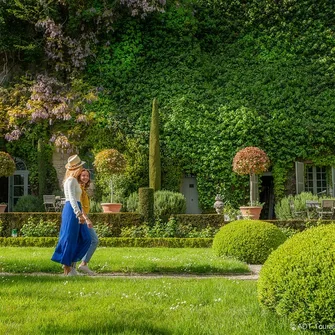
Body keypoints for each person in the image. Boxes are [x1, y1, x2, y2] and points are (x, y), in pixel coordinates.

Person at [51, 155, 91, 276]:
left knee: (85, 238)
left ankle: (72, 266)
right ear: (76, 169)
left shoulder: (74, 181)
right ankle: (67, 269)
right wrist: (79, 214)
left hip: (75, 209)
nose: (81, 169)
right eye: (80, 167)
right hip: (72, 210)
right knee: (69, 239)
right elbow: (72, 199)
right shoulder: (70, 181)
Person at [74, 169, 99, 275]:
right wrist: (86, 219)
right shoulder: (79, 188)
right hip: (81, 219)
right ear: (79, 176)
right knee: (94, 240)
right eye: (83, 175)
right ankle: (83, 264)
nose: (85, 177)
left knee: (79, 241)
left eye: (87, 176)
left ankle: (74, 265)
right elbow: (79, 205)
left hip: (82, 218)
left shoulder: (82, 188)